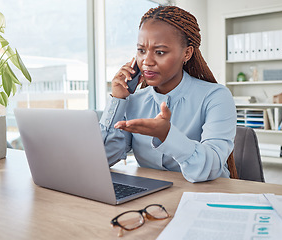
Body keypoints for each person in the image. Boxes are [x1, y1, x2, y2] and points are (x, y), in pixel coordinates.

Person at [99, 6, 237, 183]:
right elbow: (102, 159)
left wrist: (168, 135)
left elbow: (210, 167)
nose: (147, 61)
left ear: (186, 53)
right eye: (141, 50)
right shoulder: (134, 101)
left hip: (207, 196)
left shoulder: (216, 97)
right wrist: (118, 101)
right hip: (152, 198)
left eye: (160, 52)